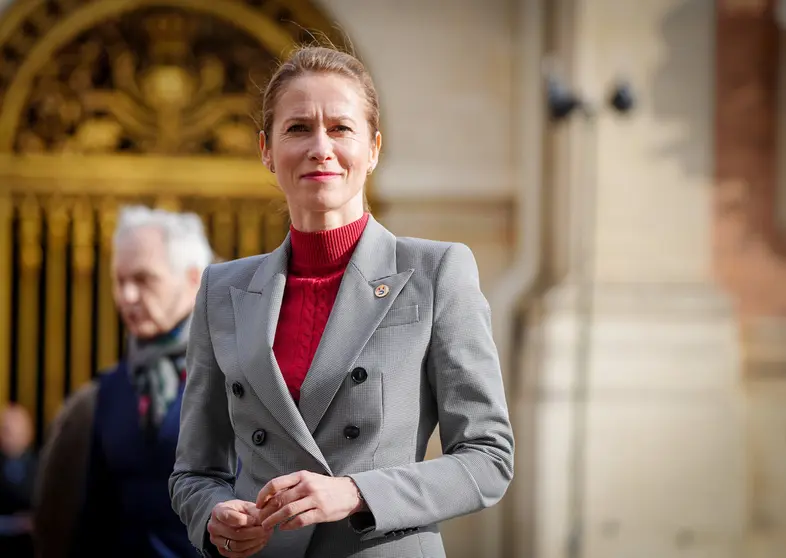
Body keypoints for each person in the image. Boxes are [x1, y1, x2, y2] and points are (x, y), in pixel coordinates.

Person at [169, 44, 515, 558]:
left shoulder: (436, 272)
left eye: (341, 128)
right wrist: (214, 516)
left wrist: (355, 493)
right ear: (266, 149)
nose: (320, 146)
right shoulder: (222, 291)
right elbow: (194, 474)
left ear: (373, 148)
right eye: (298, 128)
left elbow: (489, 458)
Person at [34, 206, 213, 558]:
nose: (127, 297)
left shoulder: (240, 379)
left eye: (144, 279)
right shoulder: (106, 393)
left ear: (194, 279)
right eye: (120, 280)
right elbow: (77, 519)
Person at [0, 404, 36, 557]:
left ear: (29, 432)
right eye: (4, 429)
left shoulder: (42, 467)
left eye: (14, 428)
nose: (9, 434)